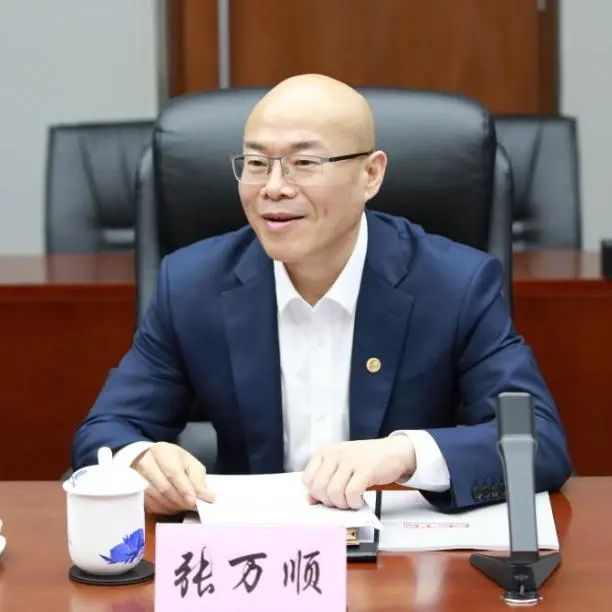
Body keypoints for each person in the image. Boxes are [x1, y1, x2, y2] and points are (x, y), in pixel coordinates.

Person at [72, 74, 571, 515]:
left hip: (399, 565)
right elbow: (105, 431)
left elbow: (540, 443)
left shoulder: (455, 283)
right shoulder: (192, 284)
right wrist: (141, 460)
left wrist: (403, 454)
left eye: (304, 162)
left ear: (371, 174)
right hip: (255, 555)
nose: (273, 187)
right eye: (256, 163)